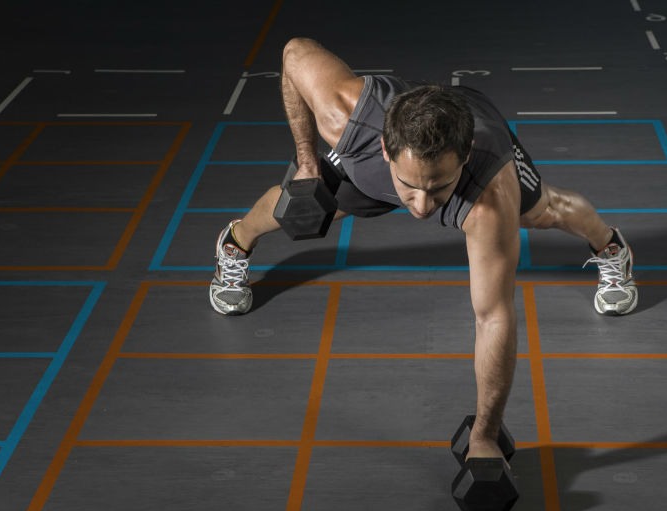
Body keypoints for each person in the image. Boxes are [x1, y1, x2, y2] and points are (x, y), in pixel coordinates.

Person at [208, 37, 638, 460]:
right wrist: (306, 159)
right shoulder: (345, 118)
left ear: (465, 157)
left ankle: (611, 248)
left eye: (438, 190)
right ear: (385, 150)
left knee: (546, 210)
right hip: (381, 155)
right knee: (297, 204)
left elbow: (492, 318)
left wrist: (485, 437)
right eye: (410, 189)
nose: (422, 207)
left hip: (473, 132)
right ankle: (235, 242)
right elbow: (294, 52)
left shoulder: (488, 192)